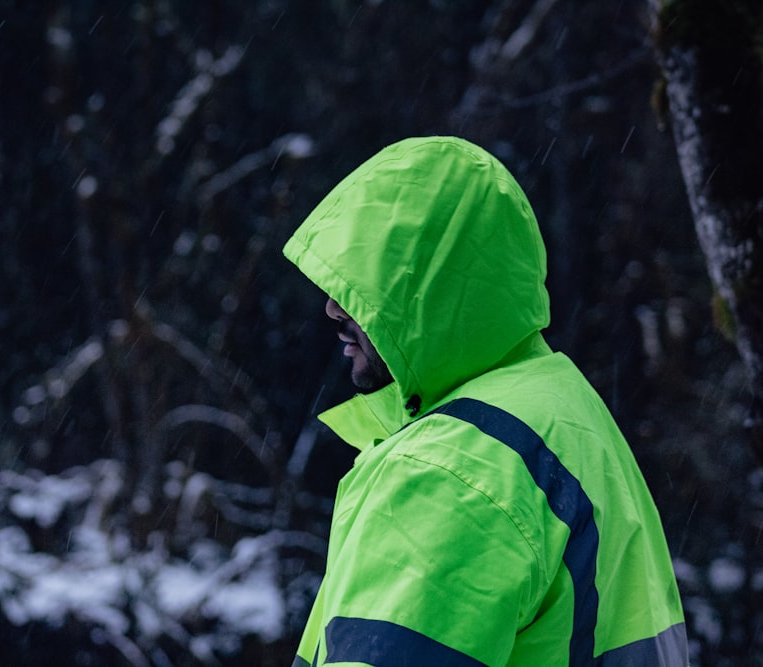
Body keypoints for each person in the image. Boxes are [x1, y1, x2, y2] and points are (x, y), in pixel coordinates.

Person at [283, 137, 688, 666]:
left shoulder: (451, 467)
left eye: (365, 288)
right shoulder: (561, 413)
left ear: (436, 291)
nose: (333, 308)